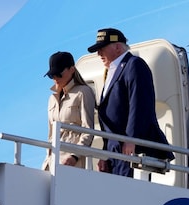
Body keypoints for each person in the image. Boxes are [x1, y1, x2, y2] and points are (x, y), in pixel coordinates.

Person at [86, 28, 174, 177]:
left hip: (130, 149)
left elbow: (139, 105)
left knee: (126, 195)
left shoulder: (134, 65)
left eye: (102, 49)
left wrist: (131, 139)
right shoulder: (111, 72)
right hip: (115, 150)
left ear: (118, 47)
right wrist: (104, 154)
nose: (99, 54)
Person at [42, 51, 96, 170]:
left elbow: (88, 130)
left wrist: (74, 156)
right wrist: (47, 160)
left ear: (72, 69)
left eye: (58, 74)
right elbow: (50, 134)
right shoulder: (52, 99)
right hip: (51, 162)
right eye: (52, 75)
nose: (55, 78)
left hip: (73, 162)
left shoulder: (83, 92)